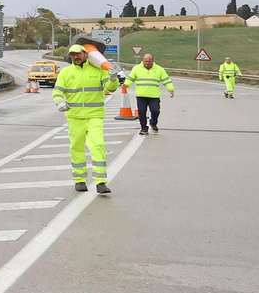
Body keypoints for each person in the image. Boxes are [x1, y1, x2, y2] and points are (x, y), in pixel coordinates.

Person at [54, 44, 116, 194]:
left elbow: (111, 88)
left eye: (78, 54)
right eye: (72, 55)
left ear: (85, 54)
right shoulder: (66, 72)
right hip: (75, 117)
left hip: (94, 115)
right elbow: (58, 91)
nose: (75, 57)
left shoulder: (98, 70)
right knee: (76, 147)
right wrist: (60, 102)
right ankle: (80, 180)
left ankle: (101, 182)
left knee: (98, 145)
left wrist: (113, 78)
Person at [126, 52, 174, 134]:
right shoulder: (137, 68)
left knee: (155, 111)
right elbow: (130, 78)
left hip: (153, 96)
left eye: (149, 62)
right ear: (143, 61)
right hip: (141, 95)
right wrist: (126, 84)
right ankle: (144, 128)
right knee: (141, 112)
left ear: (153, 61)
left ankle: (153, 122)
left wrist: (170, 89)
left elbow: (166, 80)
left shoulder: (159, 69)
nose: (147, 63)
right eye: (145, 61)